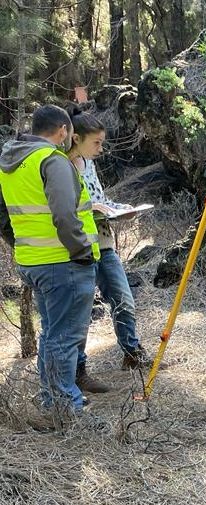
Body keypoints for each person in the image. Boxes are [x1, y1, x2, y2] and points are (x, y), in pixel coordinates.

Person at [0, 104, 100, 418]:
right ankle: (63, 404)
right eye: (68, 131)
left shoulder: (14, 161)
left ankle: (52, 398)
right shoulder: (51, 161)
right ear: (61, 130)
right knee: (65, 337)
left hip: (34, 260)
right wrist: (82, 251)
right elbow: (64, 216)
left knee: (52, 334)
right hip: (63, 261)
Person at [65, 105, 148, 394]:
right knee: (80, 313)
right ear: (76, 138)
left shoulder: (89, 164)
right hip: (78, 249)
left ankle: (132, 353)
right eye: (96, 142)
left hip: (104, 242)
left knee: (124, 298)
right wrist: (92, 208)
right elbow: (65, 211)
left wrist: (119, 209)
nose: (101, 148)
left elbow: (98, 199)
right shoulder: (59, 165)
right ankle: (78, 371)